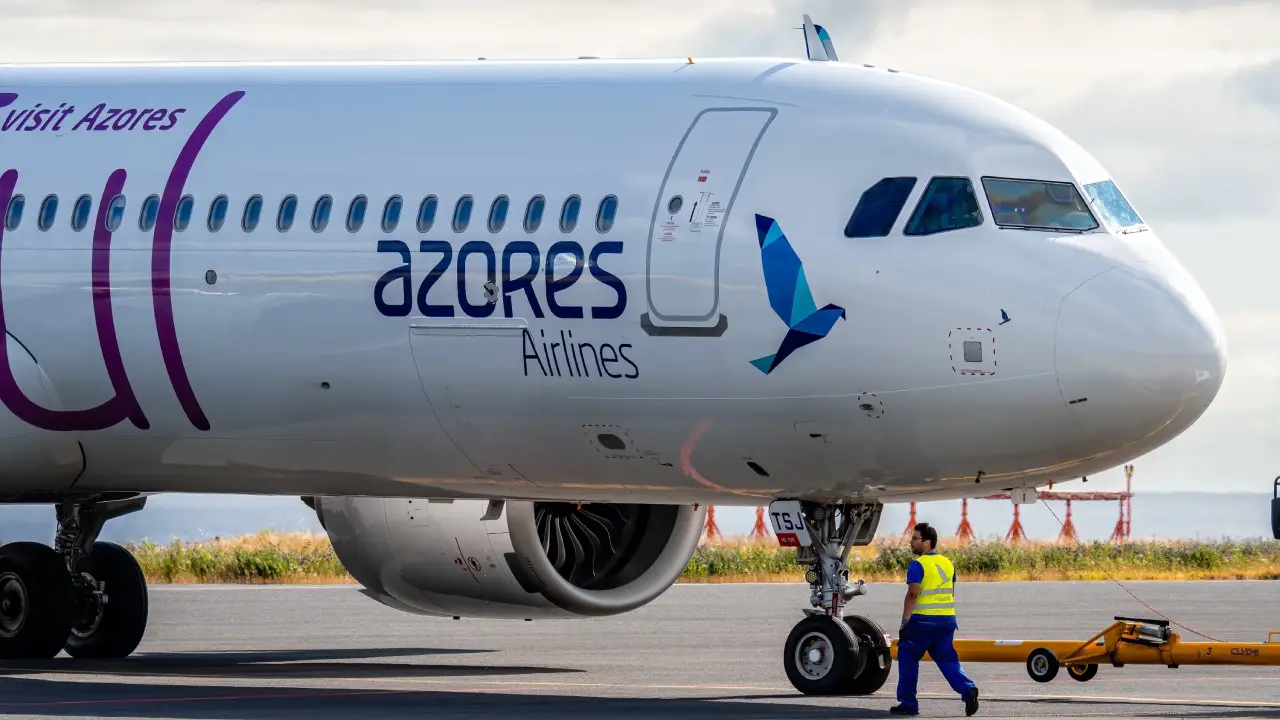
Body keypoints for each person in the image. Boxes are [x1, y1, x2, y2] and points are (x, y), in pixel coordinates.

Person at [890, 522, 980, 716]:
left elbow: (913, 594)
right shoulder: (948, 563)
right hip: (946, 621)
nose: (911, 542)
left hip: (922, 622)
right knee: (947, 660)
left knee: (907, 656)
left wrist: (905, 622)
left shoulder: (918, 565)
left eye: (915, 538)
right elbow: (951, 593)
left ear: (927, 542)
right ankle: (968, 689)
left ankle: (908, 704)